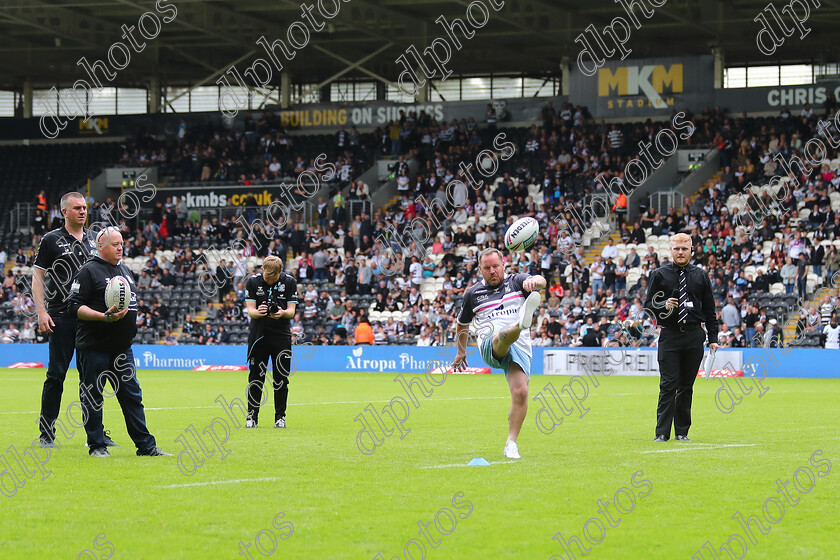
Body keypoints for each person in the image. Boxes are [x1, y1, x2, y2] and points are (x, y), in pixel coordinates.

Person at [67, 227, 169, 457]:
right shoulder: (88, 271)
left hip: (122, 348)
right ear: (100, 245)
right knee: (93, 397)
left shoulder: (124, 270)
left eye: (122, 243)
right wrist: (103, 316)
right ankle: (97, 445)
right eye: (115, 244)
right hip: (94, 347)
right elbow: (73, 306)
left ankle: (146, 446)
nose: (120, 247)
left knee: (132, 397)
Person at [32, 191, 116, 448]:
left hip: (90, 318)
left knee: (91, 377)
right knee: (56, 375)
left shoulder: (96, 239)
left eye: (85, 207)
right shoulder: (51, 240)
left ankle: (97, 434)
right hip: (61, 316)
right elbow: (38, 277)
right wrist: (41, 310)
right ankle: (46, 434)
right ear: (64, 212)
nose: (83, 211)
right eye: (77, 207)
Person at [451, 248, 545, 459]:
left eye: (496, 266)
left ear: (503, 265)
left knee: (521, 392)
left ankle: (511, 443)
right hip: (490, 344)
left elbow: (542, 281)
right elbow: (462, 324)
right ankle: (520, 324)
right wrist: (461, 352)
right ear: (480, 269)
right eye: (487, 268)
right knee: (501, 336)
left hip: (520, 347)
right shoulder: (473, 294)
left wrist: (534, 283)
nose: (492, 271)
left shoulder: (517, 281)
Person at [644, 233, 719, 443]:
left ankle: (682, 432)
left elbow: (710, 311)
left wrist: (713, 338)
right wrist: (663, 305)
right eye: (676, 249)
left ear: (691, 250)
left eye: (684, 249)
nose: (680, 252)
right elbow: (648, 306)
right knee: (668, 385)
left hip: (695, 335)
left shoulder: (701, 276)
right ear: (671, 250)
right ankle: (661, 432)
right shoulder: (659, 274)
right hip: (670, 335)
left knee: (686, 386)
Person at [244, 255, 298, 429]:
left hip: (281, 335)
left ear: (280, 272)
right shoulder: (252, 282)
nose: (269, 280)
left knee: (281, 379)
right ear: (262, 270)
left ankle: (280, 417)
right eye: (267, 277)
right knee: (255, 378)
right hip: (258, 335)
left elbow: (291, 311)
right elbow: (250, 311)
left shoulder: (290, 282)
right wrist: (258, 312)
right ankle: (252, 416)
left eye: (273, 278)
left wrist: (281, 312)